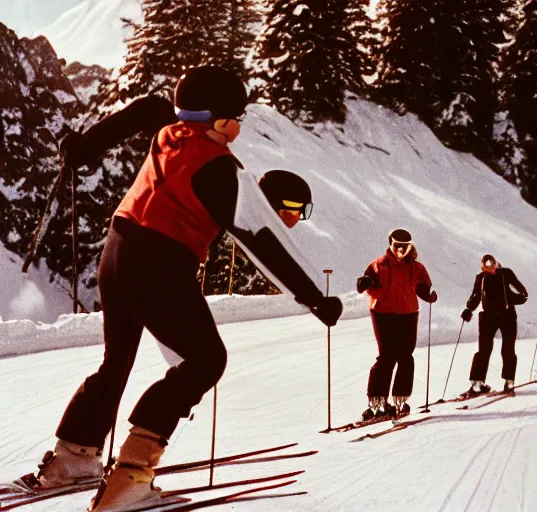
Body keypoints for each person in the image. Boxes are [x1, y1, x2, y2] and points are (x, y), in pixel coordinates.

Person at [23, 66, 343, 512]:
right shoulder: (220, 170)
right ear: (219, 122)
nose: (239, 125)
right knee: (206, 360)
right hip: (157, 263)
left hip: (116, 252)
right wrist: (315, 298)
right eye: (238, 117)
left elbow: (145, 109)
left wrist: (87, 146)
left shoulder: (169, 131)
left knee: (116, 360)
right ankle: (132, 475)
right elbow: (263, 241)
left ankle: (72, 459)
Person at [356, 228, 437, 420]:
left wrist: (429, 295)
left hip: (408, 313)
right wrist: (364, 283)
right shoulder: (379, 264)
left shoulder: (416, 267)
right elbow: (364, 283)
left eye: (405, 246)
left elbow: (424, 287)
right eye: (397, 246)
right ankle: (376, 402)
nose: (401, 250)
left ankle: (399, 399)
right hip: (383, 312)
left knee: (405, 355)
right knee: (387, 355)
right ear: (391, 244)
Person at [460, 254, 528, 395]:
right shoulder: (481, 278)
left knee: (508, 349)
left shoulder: (506, 274)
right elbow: (476, 295)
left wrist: (512, 298)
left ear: (496, 264)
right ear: (483, 267)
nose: (490, 268)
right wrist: (469, 309)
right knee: (483, 350)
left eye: (492, 265)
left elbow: (523, 293)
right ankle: (478, 383)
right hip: (487, 317)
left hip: (507, 315)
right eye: (486, 266)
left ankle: (509, 381)